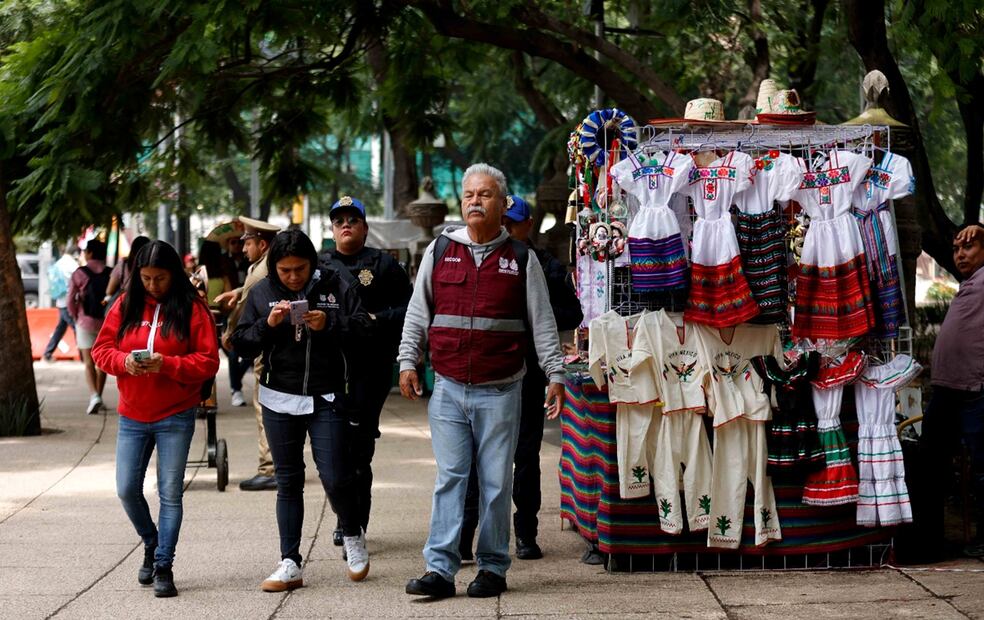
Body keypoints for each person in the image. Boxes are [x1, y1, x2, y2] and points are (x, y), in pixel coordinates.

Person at [399, 164, 566, 599]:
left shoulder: (521, 258)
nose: (475, 201)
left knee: (495, 483)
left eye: (485, 194)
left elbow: (542, 322)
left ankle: (492, 567)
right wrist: (408, 360)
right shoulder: (440, 250)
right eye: (469, 194)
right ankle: (440, 569)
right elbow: (418, 311)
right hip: (448, 387)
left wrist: (555, 373)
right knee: (451, 478)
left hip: (502, 389)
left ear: (502, 203)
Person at [232, 229, 372, 590]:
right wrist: (268, 325)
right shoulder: (262, 292)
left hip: (327, 396)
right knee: (288, 481)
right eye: (285, 270)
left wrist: (330, 324)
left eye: (300, 269)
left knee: (336, 475)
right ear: (274, 268)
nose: (293, 277)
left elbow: (364, 329)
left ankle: (352, 533)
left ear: (312, 263)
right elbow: (240, 344)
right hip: (278, 397)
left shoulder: (336, 284)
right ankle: (290, 561)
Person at [91, 240, 220, 598]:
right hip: (132, 414)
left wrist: (168, 364)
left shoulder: (192, 307)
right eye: (146, 278)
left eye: (160, 278)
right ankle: (151, 541)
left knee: (170, 493)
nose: (152, 285)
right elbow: (101, 350)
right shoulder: (125, 303)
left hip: (175, 414)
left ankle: (164, 564)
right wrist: (124, 362)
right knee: (126, 489)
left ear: (173, 274)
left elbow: (209, 361)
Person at [459, 195, 582, 561]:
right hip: (485, 370)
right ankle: (466, 535)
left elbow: (572, 311)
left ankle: (526, 532)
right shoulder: (478, 256)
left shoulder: (542, 263)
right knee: (474, 457)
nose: (507, 229)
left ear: (528, 225)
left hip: (528, 372)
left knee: (525, 456)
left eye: (513, 224)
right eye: (503, 222)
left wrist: (532, 312)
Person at [322, 195, 412, 547]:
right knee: (335, 453)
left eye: (352, 220)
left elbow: (410, 309)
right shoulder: (320, 265)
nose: (346, 225)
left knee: (359, 452)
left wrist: (376, 319)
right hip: (329, 371)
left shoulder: (383, 265)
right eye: (339, 221)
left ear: (364, 227)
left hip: (369, 370)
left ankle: (355, 525)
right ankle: (345, 518)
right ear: (332, 229)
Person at [922, 222, 984, 559]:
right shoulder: (969, 284)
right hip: (948, 389)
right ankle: (931, 540)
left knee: (983, 466)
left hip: (976, 389)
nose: (960, 254)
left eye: (969, 247)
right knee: (931, 463)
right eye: (957, 249)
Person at [214, 216, 281, 489]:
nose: (243, 249)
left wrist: (229, 333)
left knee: (264, 408)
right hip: (275, 345)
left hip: (267, 347)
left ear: (262, 244)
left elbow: (245, 306)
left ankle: (269, 469)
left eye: (248, 243)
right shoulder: (269, 264)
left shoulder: (261, 268)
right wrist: (238, 290)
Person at [68, 238, 110, 414]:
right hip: (107, 323)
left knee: (88, 363)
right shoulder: (111, 272)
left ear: (90, 253)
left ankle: (94, 396)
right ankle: (98, 395)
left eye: (85, 251)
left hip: (85, 322)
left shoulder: (79, 273)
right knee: (103, 362)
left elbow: (70, 299)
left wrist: (75, 316)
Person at [42, 248, 80, 361]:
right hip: (69, 302)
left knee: (60, 329)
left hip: (61, 301)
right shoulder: (73, 265)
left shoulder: (58, 263)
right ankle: (84, 356)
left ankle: (47, 353)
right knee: (77, 328)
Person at [105, 236, 152, 304]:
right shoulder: (153, 265)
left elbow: (109, 291)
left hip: (127, 305)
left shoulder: (123, 265)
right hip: (149, 304)